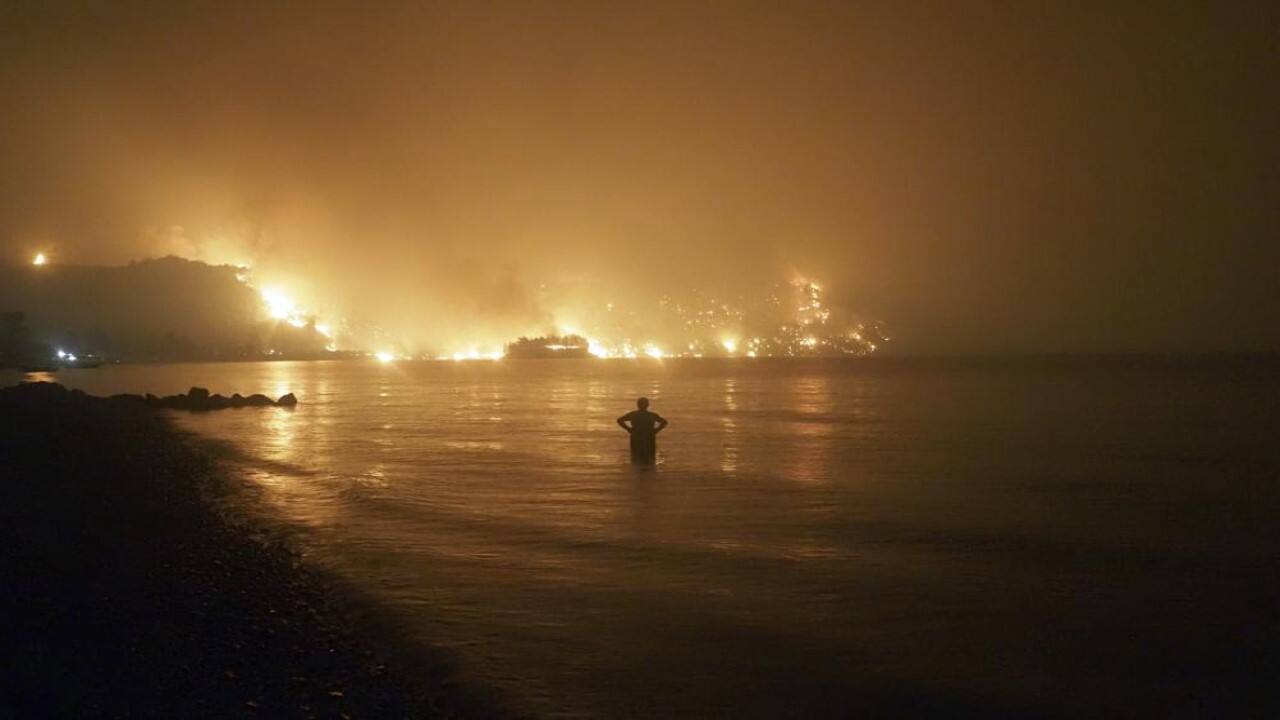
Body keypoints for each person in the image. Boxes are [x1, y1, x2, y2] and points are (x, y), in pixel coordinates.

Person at [617, 396, 668, 465]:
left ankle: (637, 473)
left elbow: (619, 420)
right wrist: (656, 430)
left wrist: (628, 429)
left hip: (636, 437)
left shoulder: (633, 415)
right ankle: (649, 473)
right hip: (649, 437)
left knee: (635, 457)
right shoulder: (651, 415)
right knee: (650, 457)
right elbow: (664, 422)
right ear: (648, 405)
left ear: (637, 405)